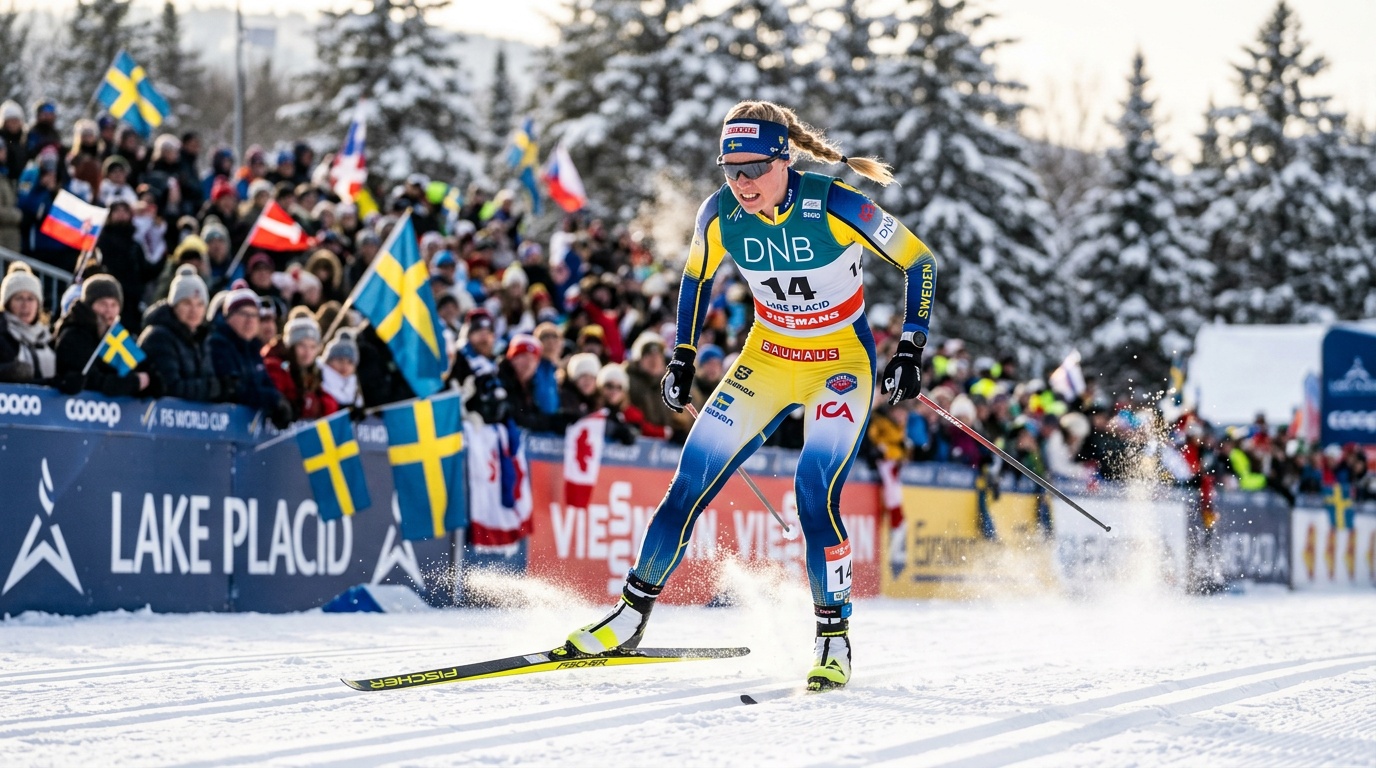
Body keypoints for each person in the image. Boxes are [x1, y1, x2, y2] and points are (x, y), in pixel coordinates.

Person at [564, 101, 938, 691]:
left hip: (841, 363)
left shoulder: (835, 203)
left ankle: (833, 639)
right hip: (767, 358)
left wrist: (912, 348)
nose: (741, 183)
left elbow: (921, 261)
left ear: (784, 159)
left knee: (813, 493)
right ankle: (630, 616)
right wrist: (683, 355)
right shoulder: (717, 215)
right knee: (688, 480)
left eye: (754, 169)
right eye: (730, 169)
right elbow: (696, 279)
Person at [53, 274, 160, 398]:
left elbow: (149, 377)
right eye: (103, 304)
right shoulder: (74, 335)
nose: (109, 310)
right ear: (89, 305)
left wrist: (151, 380)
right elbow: (90, 381)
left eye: (114, 305)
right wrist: (134, 383)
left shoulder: (114, 335)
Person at [208, 288, 291, 427]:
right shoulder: (218, 344)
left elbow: (265, 382)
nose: (249, 321)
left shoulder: (253, 348)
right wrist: (272, 399)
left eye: (254, 316)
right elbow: (235, 388)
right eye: (244, 314)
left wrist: (281, 402)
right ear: (229, 316)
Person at [137, 265, 221, 402]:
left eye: (200, 304)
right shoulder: (158, 337)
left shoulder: (202, 338)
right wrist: (213, 388)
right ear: (174, 306)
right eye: (187, 303)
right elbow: (171, 387)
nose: (194, 310)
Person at [263, 307, 338, 422]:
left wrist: (319, 405)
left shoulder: (314, 372)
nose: (307, 352)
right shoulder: (275, 366)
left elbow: (330, 404)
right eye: (302, 346)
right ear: (291, 346)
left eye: (312, 347)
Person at [0, 263, 56, 383]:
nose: (25, 305)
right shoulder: (3, 334)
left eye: (31, 299)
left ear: (38, 304)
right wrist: (8, 371)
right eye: (19, 298)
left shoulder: (49, 338)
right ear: (7, 303)